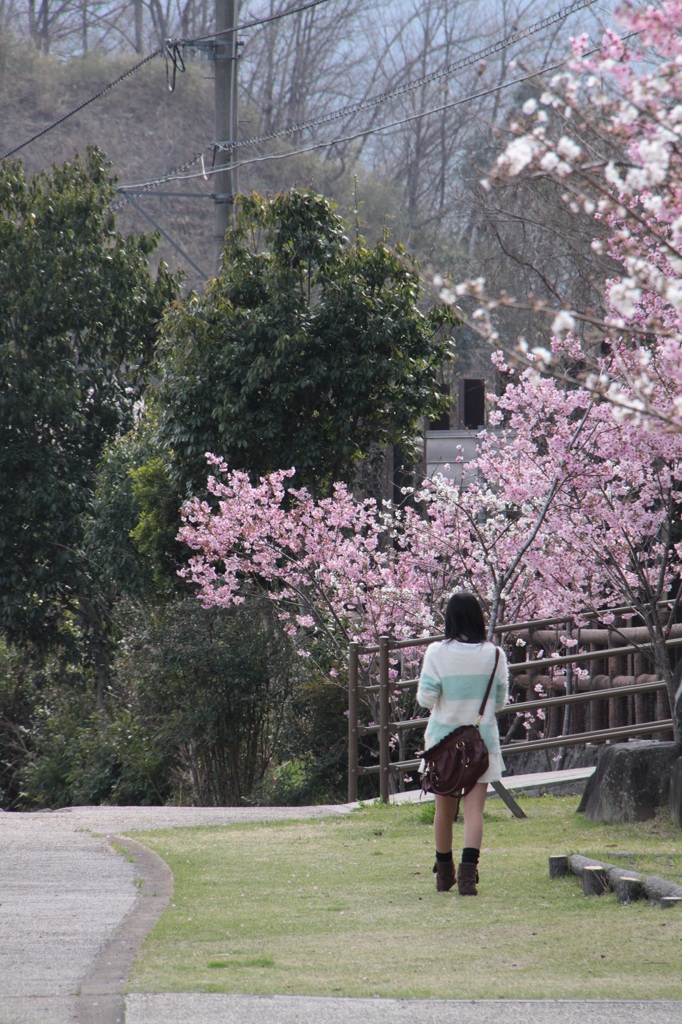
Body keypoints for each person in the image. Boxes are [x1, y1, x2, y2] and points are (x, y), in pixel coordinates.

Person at [417, 591, 509, 896]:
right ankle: (468, 879)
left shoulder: (436, 652)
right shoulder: (495, 654)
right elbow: (500, 701)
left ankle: (445, 874)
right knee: (474, 813)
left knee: (444, 811)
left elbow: (425, 698)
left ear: (450, 619)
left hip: (443, 744)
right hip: (482, 743)